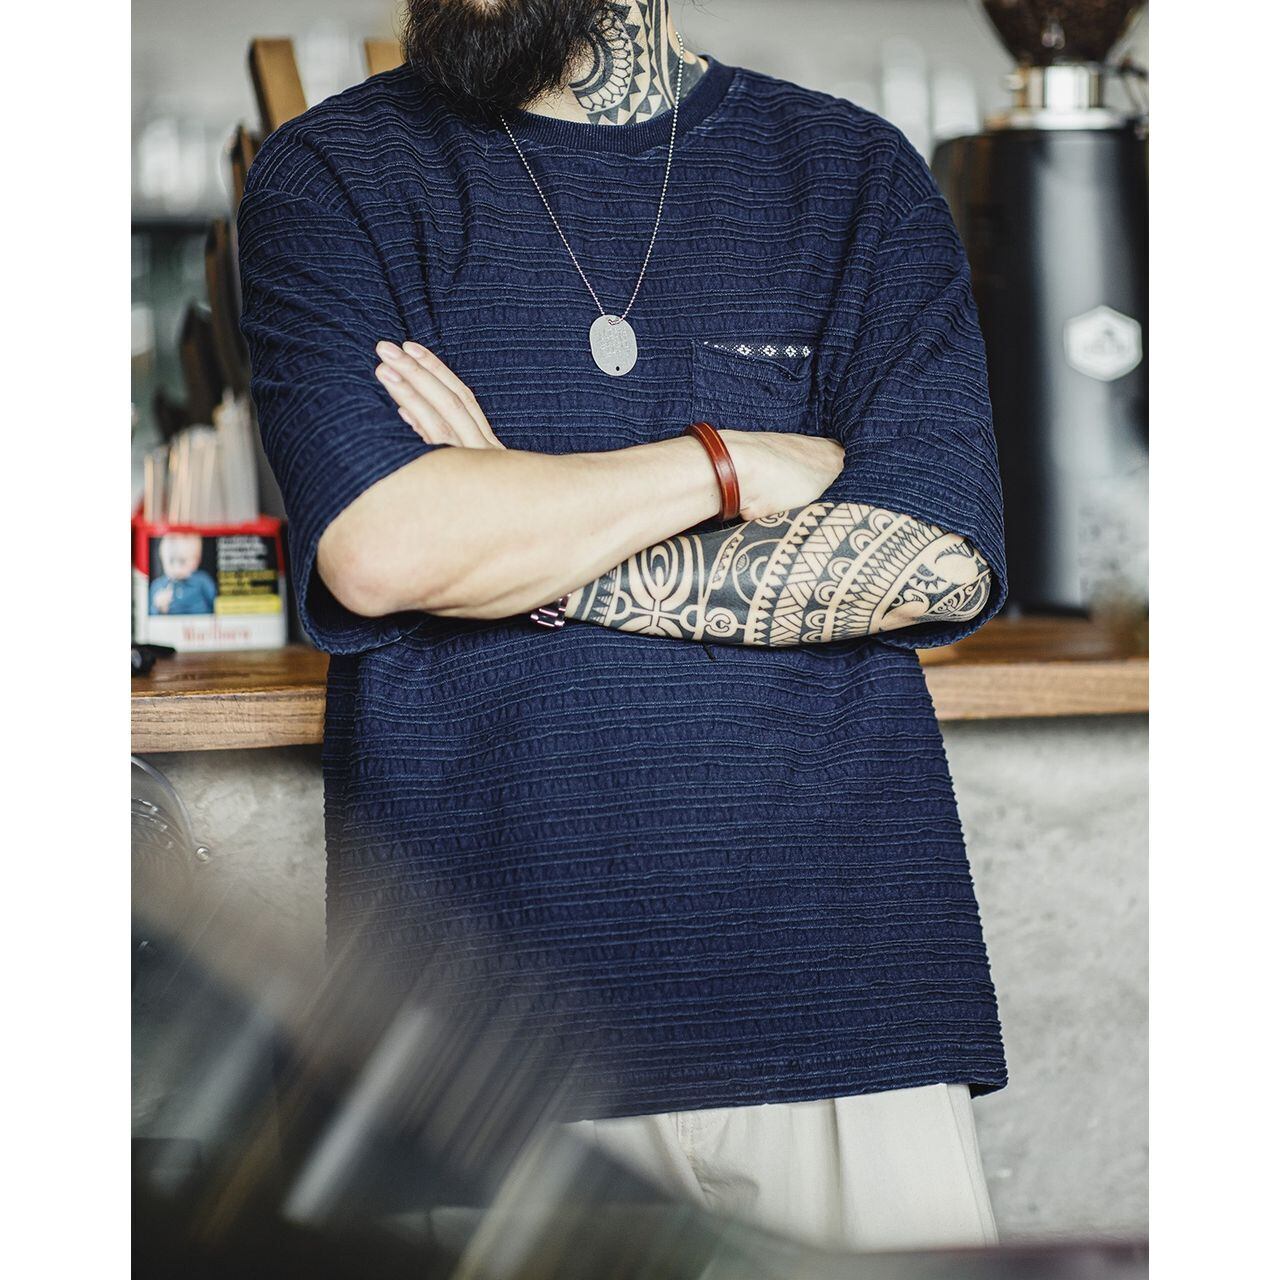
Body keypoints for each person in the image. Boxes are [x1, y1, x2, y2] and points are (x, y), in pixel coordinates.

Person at [237, 0, 1008, 1252]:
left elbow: (933, 559)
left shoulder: (851, 174)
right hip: (475, 1041)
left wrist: (521, 544)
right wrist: (720, 464)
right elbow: (384, 551)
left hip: (843, 997)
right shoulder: (333, 175)